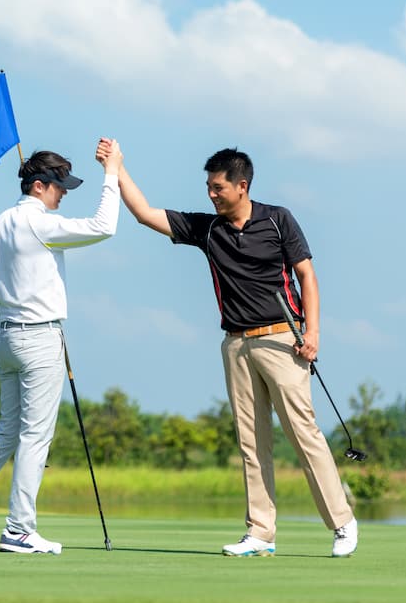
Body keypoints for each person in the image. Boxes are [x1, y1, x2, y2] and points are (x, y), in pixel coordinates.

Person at [106, 142, 358, 558]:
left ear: (242, 186)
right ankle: (260, 533)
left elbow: (306, 275)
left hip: (283, 339)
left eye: (218, 187)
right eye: (208, 186)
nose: (210, 194)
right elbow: (145, 214)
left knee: (302, 433)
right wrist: (117, 168)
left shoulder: (278, 221)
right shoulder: (209, 229)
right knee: (251, 441)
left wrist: (313, 332)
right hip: (236, 344)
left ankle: (342, 523)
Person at [0, 141, 123, 554]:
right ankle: (18, 528)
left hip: (7, 336)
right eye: (58, 186)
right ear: (38, 185)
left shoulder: (0, 223)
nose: (63, 193)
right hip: (39, 336)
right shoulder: (41, 223)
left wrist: (23, 282)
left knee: (9, 430)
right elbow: (104, 226)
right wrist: (112, 173)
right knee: (35, 436)